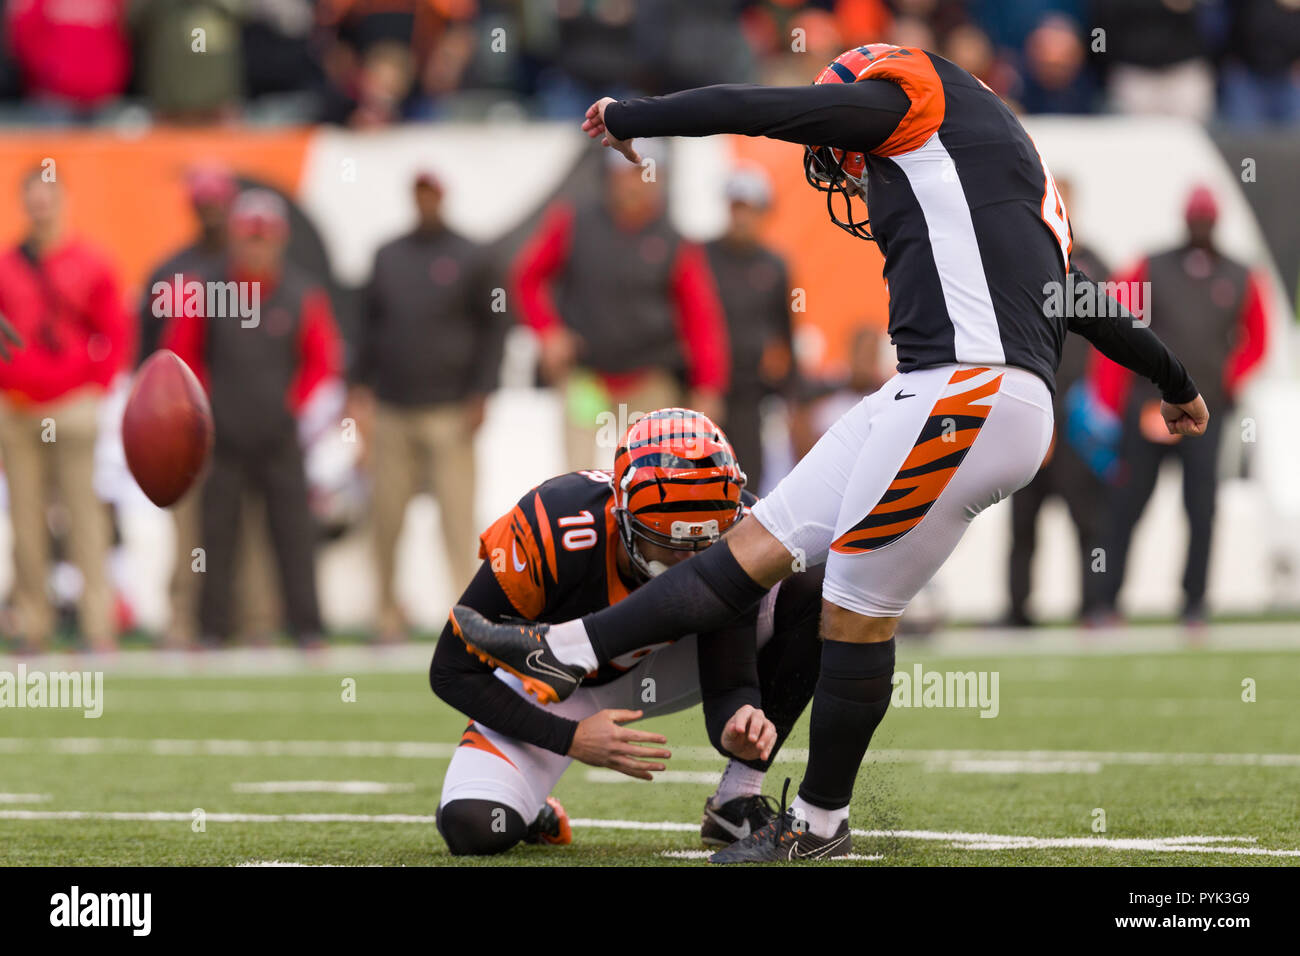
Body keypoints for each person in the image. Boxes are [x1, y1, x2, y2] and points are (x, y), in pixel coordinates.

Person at [449, 42, 1209, 863]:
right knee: (756, 546)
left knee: (851, 604)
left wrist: (634, 116)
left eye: (842, 149)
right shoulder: (1002, 171)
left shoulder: (911, 104)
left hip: (972, 396)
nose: (845, 174)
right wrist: (1176, 379)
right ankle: (566, 649)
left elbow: (759, 109)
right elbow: (1080, 300)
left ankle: (817, 826)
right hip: (932, 392)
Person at [431, 408, 823, 855]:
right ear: (623, 517)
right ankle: (529, 808)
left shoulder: (739, 526)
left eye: (704, 545)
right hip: (558, 685)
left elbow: (729, 679)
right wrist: (570, 739)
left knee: (813, 589)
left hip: (678, 665)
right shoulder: (552, 528)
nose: (689, 563)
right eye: (669, 544)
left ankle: (737, 800)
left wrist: (739, 721)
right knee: (473, 827)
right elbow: (450, 669)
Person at [164, 189, 343, 646]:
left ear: (279, 240)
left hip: (281, 434)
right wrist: (201, 410)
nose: (256, 246)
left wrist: (296, 408)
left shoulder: (301, 293)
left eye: (263, 238)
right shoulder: (208, 290)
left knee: (293, 536)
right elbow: (182, 357)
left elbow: (323, 362)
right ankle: (212, 630)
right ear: (235, 238)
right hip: (221, 434)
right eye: (248, 237)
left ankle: (307, 628)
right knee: (216, 538)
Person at [1092, 185, 1269, 626]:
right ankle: (1106, 601)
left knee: (1202, 508)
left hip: (1205, 414)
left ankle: (1194, 603)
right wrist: (1115, 405)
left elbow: (1258, 339)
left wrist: (1225, 381)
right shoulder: (1150, 267)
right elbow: (1115, 326)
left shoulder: (1240, 275)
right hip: (1149, 409)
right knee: (1127, 507)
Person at [350, 170, 507, 639]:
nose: (425, 202)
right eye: (418, 193)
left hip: (450, 409)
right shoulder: (387, 255)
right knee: (385, 520)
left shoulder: (472, 256)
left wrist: (483, 391)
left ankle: (468, 619)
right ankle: (385, 616)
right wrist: (358, 391)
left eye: (431, 193)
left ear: (443, 196)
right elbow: (367, 328)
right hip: (393, 408)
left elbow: (496, 326)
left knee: (458, 521)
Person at [512, 147, 730, 471]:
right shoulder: (575, 223)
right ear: (610, 176)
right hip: (585, 377)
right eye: (625, 173)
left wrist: (708, 386)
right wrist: (548, 332)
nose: (632, 183)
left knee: (655, 477)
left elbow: (701, 318)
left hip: (649, 378)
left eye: (642, 174)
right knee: (578, 476)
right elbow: (526, 278)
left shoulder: (673, 241)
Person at [0, 169, 133, 652]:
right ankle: (33, 622)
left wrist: (94, 386)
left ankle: (98, 624)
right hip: (16, 408)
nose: (40, 208)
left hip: (73, 405)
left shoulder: (91, 262)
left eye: (47, 199)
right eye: (31, 199)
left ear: (62, 202)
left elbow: (115, 332)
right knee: (26, 521)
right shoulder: (7, 265)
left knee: (84, 515)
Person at [1005, 178, 1110, 627]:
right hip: (1029, 407)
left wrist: (1100, 404)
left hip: (1074, 415)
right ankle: (1018, 609)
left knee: (1087, 519)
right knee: (1023, 520)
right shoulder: (1022, 254)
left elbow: (1113, 340)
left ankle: (1093, 604)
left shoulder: (1092, 263)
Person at [704, 165, 794, 494]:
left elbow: (785, 332)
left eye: (749, 208)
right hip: (702, 390)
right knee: (698, 476)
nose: (741, 217)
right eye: (736, 206)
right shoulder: (701, 257)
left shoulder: (774, 266)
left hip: (750, 393)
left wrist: (790, 393)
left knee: (746, 482)